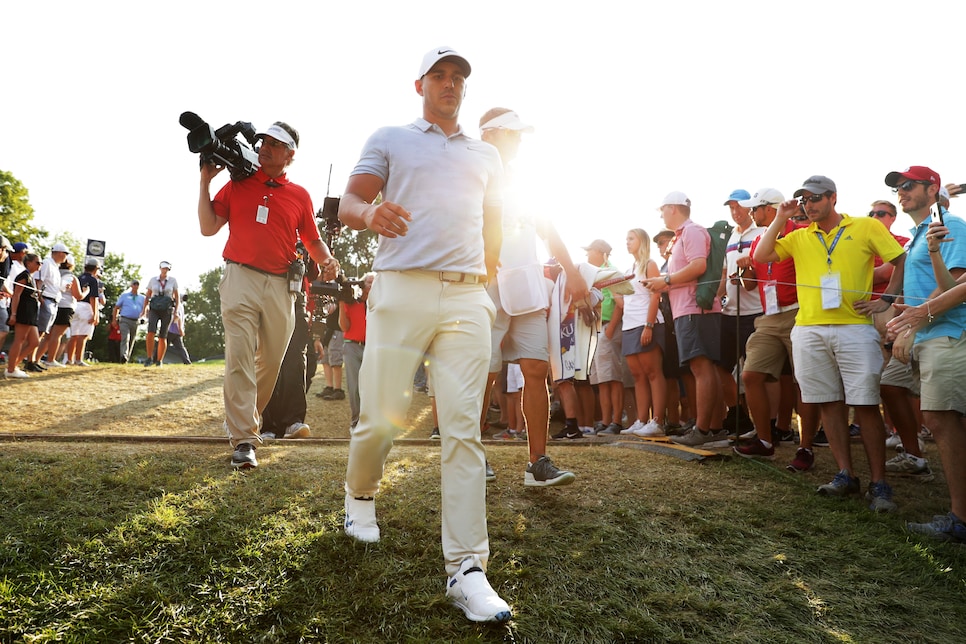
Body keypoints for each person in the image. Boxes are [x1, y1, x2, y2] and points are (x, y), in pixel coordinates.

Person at [338, 46, 511, 623]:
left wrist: (484, 275)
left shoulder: (487, 154)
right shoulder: (390, 136)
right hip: (400, 285)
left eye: (459, 76)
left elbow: (494, 223)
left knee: (462, 426)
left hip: (466, 295)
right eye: (439, 74)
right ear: (419, 85)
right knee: (384, 410)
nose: (451, 83)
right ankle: (360, 495)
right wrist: (369, 216)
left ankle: (468, 569)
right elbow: (352, 201)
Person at [754, 175, 905, 512]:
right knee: (828, 402)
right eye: (805, 199)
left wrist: (887, 300)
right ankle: (845, 475)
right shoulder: (798, 235)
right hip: (808, 329)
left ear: (833, 198)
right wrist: (781, 217)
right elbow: (762, 254)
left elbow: (899, 261)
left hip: (855, 328)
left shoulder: (865, 226)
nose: (809, 204)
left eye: (816, 198)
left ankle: (879, 483)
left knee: (865, 404)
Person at [198, 119, 338, 470]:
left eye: (275, 145)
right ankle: (245, 438)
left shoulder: (299, 195)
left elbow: (311, 237)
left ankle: (246, 418)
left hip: (280, 286)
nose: (265, 148)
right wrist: (204, 182)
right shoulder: (238, 183)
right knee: (241, 357)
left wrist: (328, 261)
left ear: (290, 155)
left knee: (272, 362)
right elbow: (208, 227)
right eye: (263, 142)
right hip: (239, 278)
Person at [478, 106, 583, 485]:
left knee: (536, 370)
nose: (520, 139)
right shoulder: (470, 173)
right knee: (485, 373)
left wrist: (573, 273)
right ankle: (473, 457)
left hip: (526, 285)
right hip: (486, 285)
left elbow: (548, 228)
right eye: (513, 133)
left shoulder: (524, 180)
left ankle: (537, 463)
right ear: (489, 135)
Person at [881, 166, 966, 541]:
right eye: (898, 187)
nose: (902, 191)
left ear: (932, 188)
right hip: (924, 333)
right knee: (900, 391)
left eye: (909, 185)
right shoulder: (917, 235)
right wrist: (899, 321)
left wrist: (915, 324)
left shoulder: (952, 225)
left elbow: (959, 283)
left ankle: (959, 518)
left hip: (947, 333)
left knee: (942, 417)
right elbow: (920, 285)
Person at [730, 188, 820, 470]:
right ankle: (766, 442)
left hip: (799, 312)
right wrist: (745, 269)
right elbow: (751, 286)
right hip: (768, 316)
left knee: (803, 381)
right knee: (751, 374)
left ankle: (805, 448)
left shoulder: (803, 232)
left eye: (755, 209)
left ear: (770, 209)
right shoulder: (760, 239)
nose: (752, 214)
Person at [643, 192, 727, 447]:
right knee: (702, 368)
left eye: (662, 210)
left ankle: (703, 430)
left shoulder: (691, 232)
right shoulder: (683, 235)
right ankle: (711, 428)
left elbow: (699, 265)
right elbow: (690, 273)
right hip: (688, 309)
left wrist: (665, 280)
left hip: (694, 310)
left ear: (673, 208)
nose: (661, 214)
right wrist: (663, 284)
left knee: (701, 368)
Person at [718, 190, 763, 434]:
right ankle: (739, 416)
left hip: (756, 312)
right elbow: (725, 276)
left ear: (750, 208)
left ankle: (770, 426)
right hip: (730, 312)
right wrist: (715, 299)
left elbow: (757, 277)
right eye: (732, 208)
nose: (736, 212)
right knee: (722, 366)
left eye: (740, 207)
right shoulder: (731, 237)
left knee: (758, 374)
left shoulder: (762, 233)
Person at [618, 228, 667, 436]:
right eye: (626, 238)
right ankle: (641, 420)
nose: (627, 242)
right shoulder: (630, 268)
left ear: (642, 241)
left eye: (631, 238)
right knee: (638, 375)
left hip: (646, 323)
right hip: (629, 324)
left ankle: (657, 421)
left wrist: (648, 325)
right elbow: (624, 301)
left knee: (653, 373)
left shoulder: (650, 264)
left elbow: (655, 296)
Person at [585, 239, 626, 435]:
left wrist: (610, 329)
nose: (587, 256)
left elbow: (620, 302)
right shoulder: (595, 274)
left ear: (600, 252)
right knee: (601, 378)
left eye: (589, 251)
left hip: (609, 327)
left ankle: (616, 421)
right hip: (597, 329)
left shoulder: (610, 271)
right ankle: (605, 420)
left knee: (612, 377)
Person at [339, 272, 375, 431]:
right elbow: (344, 327)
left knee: (372, 386)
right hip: (352, 346)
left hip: (373, 347)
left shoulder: (379, 305)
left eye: (374, 283)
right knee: (354, 387)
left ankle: (371, 422)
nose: (371, 286)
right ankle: (356, 422)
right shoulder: (352, 303)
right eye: (368, 282)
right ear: (362, 285)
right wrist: (341, 303)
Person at [4, 252, 42, 379]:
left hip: (31, 314)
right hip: (23, 312)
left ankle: (13, 364)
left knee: (34, 342)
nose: (40, 265)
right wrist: (13, 314)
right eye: (37, 262)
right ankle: (11, 369)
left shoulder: (31, 277)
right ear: (29, 262)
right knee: (19, 340)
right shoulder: (23, 276)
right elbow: (16, 295)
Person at [33, 242, 68, 369]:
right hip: (46, 299)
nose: (66, 257)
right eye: (65, 253)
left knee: (46, 333)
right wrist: (40, 297)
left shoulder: (55, 266)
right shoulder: (47, 263)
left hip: (53, 300)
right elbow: (39, 280)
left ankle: (35, 360)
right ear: (59, 253)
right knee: (41, 332)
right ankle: (31, 360)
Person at [141, 261, 179, 368]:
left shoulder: (173, 281)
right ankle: (149, 358)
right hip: (154, 308)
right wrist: (144, 310)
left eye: (166, 269)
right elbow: (148, 295)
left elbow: (176, 297)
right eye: (163, 268)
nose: (164, 270)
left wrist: (176, 311)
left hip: (166, 309)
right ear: (160, 269)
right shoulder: (153, 280)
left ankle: (159, 360)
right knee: (151, 331)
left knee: (163, 336)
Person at [65, 259, 102, 366]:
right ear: (95, 269)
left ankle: (69, 359)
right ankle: (78, 359)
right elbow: (93, 298)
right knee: (83, 335)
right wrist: (95, 314)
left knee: (73, 335)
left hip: (75, 305)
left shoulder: (78, 278)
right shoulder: (93, 280)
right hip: (86, 307)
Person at [112, 280, 144, 363]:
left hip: (136, 321)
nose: (136, 286)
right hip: (125, 319)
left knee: (132, 340)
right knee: (125, 338)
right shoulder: (124, 296)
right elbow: (116, 308)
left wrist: (144, 318)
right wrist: (114, 320)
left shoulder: (142, 298)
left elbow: (146, 309)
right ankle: (124, 355)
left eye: (137, 284)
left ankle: (126, 358)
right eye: (134, 284)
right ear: (131, 285)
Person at [165, 298, 192, 364]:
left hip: (171, 329)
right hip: (177, 332)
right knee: (180, 348)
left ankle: (155, 360)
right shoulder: (181, 306)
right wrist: (181, 329)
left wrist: (180, 328)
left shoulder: (174, 306)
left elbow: (177, 317)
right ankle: (187, 362)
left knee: (162, 346)